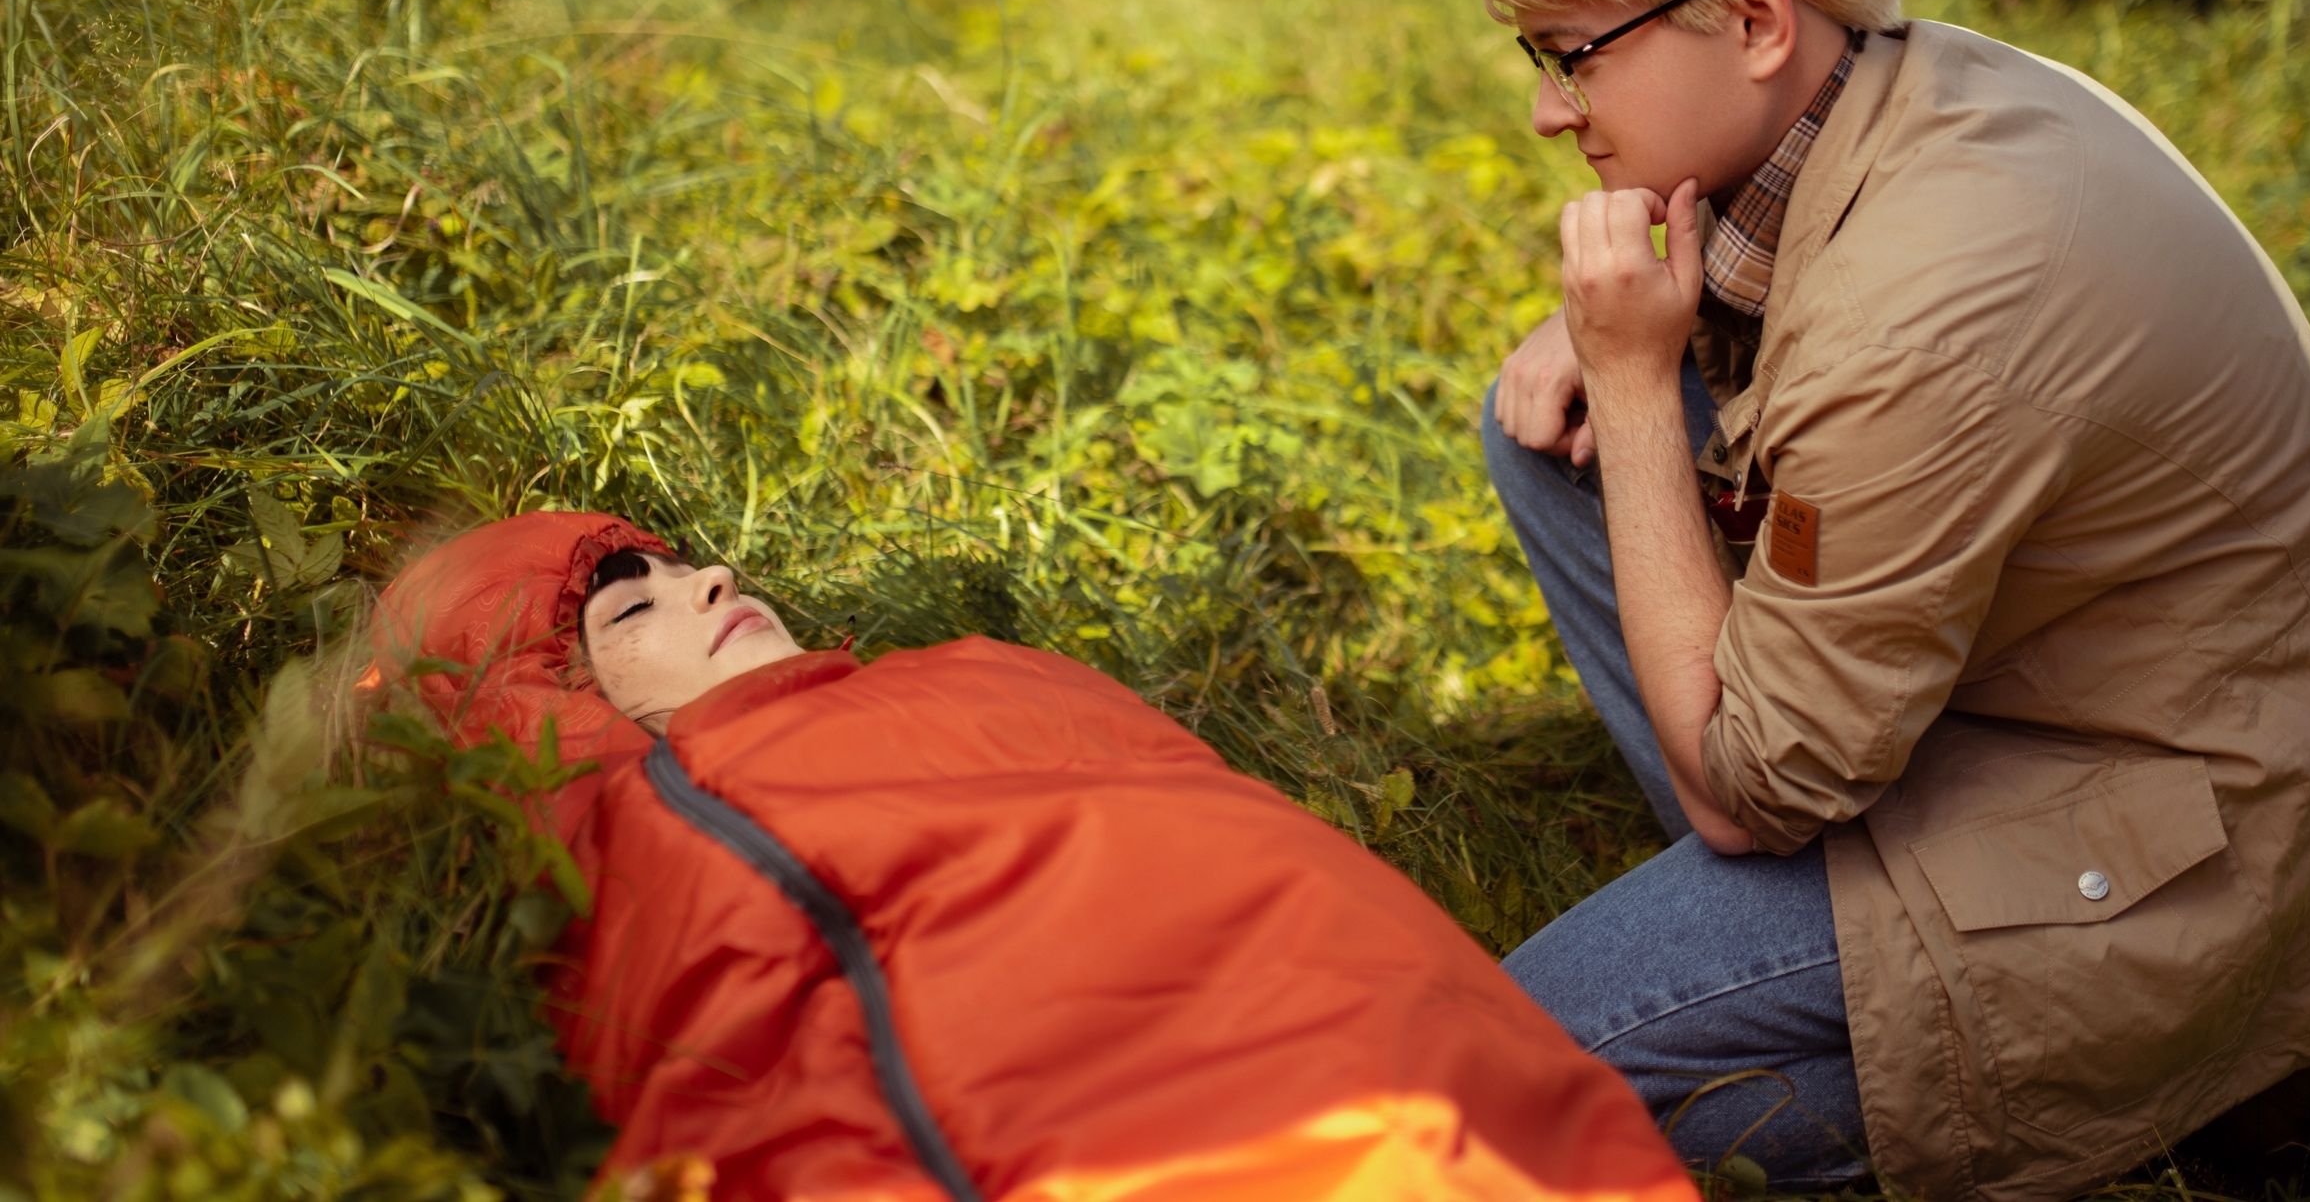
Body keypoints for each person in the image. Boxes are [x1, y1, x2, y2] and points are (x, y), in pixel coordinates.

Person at [1468, 0, 2310, 1200]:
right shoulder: (1924, 86)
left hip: (2183, 851)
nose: (1550, 111)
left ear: (1755, 14)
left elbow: (1751, 782)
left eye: (1575, 55)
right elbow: (1810, 316)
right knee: (1537, 428)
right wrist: (1651, 348)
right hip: (2080, 716)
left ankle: (2214, 1077)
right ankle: (1776, 899)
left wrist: (1639, 380)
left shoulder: (1936, 303)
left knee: (1503, 1077)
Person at [367, 510, 1697, 1202]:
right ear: (556, 706)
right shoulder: (671, 830)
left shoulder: (976, 679)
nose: (710, 581)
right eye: (631, 608)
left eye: (688, 564)